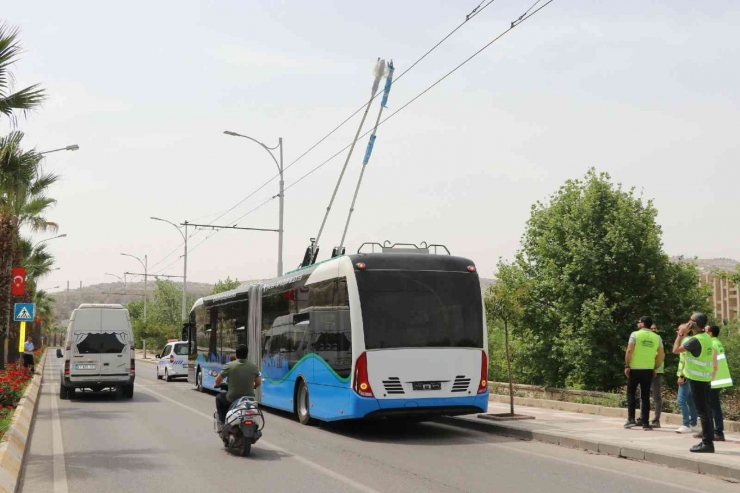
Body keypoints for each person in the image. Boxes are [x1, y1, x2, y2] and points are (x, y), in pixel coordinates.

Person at [673, 312, 717, 453]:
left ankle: (707, 443)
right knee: (706, 411)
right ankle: (707, 441)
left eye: (690, 321)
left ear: (694, 324)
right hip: (705, 378)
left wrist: (680, 334)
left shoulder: (695, 340)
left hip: (697, 380)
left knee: (703, 412)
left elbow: (675, 350)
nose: (687, 323)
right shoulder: (705, 338)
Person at [624, 316, 664, 430]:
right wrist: (655, 367)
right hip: (648, 370)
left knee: (631, 393)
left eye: (639, 322)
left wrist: (627, 365)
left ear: (642, 324)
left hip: (635, 368)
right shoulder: (657, 337)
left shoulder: (635, 334)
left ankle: (631, 418)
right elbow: (661, 355)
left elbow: (629, 350)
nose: (638, 323)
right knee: (645, 396)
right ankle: (646, 423)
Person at [214, 344, 261, 426]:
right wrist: (253, 386)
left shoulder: (230, 365)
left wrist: (218, 385)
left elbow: (217, 380)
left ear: (236, 354)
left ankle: (222, 422)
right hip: (249, 400)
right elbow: (258, 383)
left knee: (219, 398)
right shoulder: (253, 366)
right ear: (247, 354)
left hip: (232, 399)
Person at [704, 325, 732, 442]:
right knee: (712, 406)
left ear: (710, 333)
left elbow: (710, 363)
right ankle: (709, 430)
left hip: (713, 379)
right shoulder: (717, 342)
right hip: (718, 379)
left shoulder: (711, 344)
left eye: (705, 331)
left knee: (713, 407)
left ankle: (718, 432)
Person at [675, 321, 699, 434]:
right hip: (690, 375)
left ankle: (686, 424)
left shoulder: (684, 341)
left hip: (685, 375)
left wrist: (681, 376)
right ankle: (693, 423)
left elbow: (684, 360)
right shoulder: (690, 340)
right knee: (690, 401)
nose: (677, 331)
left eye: (679, 330)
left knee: (681, 400)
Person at [638, 323, 664, 428]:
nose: (653, 330)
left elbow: (660, 355)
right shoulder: (646, 340)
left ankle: (656, 420)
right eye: (651, 328)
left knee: (656, 397)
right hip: (646, 370)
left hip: (657, 372)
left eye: (655, 328)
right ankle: (642, 417)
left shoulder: (658, 339)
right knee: (643, 396)